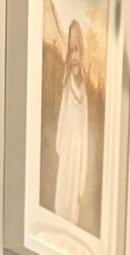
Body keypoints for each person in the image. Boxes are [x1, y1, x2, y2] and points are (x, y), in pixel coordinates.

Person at [51, 18, 91, 226]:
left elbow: (84, 133)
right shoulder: (67, 85)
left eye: (77, 51)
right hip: (66, 147)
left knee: (72, 193)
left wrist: (83, 176)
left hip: (76, 152)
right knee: (62, 190)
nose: (74, 56)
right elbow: (62, 115)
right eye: (71, 51)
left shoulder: (84, 93)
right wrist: (59, 140)